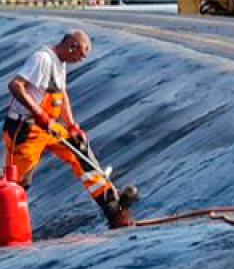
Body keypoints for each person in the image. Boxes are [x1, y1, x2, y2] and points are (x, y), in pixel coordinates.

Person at [3, 30, 136, 228]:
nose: (80, 60)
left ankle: (114, 210)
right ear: (71, 45)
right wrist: (39, 114)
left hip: (48, 126)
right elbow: (15, 86)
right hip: (26, 128)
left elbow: (61, 95)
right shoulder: (43, 59)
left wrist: (72, 125)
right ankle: (7, 225)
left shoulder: (60, 63)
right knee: (16, 183)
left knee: (80, 152)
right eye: (80, 55)